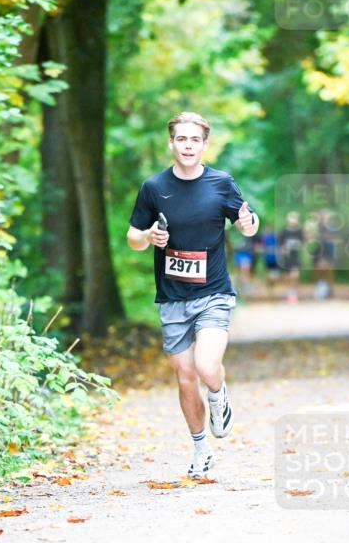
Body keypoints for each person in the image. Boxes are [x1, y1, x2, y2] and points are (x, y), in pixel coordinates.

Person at [126, 111, 259, 478]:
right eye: (181, 139)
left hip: (213, 293)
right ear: (171, 143)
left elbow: (247, 223)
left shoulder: (221, 183)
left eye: (194, 140)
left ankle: (218, 397)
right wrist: (149, 236)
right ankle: (200, 449)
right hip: (171, 298)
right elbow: (133, 238)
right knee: (185, 378)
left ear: (204, 144)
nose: (187, 146)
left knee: (205, 366)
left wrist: (250, 222)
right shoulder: (154, 188)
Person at [277, 211, 304, 303]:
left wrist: (295, 245)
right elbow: (279, 245)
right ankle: (290, 292)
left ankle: (294, 293)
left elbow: (302, 242)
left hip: (295, 256)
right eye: (291, 218)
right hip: (286, 257)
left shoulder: (299, 231)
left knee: (295, 275)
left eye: (295, 218)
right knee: (287, 277)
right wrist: (284, 249)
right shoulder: (283, 231)